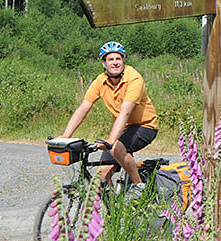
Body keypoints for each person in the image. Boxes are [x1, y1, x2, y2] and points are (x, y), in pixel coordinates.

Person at [61, 41, 158, 194]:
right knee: (101, 178)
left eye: (118, 59)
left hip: (145, 126)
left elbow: (125, 112)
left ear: (123, 61)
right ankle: (116, 212)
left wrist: (112, 141)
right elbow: (83, 108)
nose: (115, 62)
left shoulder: (134, 79)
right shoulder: (101, 81)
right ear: (103, 63)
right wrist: (66, 136)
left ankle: (139, 186)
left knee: (117, 147)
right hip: (124, 129)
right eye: (110, 59)